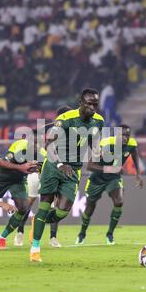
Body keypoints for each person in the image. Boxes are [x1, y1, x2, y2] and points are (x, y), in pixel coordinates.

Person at [29, 88, 104, 262]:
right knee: (46, 205)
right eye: (89, 104)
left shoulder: (99, 121)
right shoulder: (65, 119)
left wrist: (96, 149)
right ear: (80, 103)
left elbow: (92, 139)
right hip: (54, 166)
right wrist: (61, 163)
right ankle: (35, 249)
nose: (93, 108)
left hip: (73, 170)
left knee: (63, 211)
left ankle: (38, 220)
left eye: (95, 104)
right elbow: (49, 144)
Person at [14, 106, 73, 248]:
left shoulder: (73, 130)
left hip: (56, 171)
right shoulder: (49, 129)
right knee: (28, 203)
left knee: (54, 205)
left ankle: (53, 237)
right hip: (40, 171)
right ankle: (20, 232)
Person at [76, 125, 143, 245]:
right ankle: (82, 234)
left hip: (113, 178)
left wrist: (138, 174)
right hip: (97, 178)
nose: (125, 138)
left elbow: (135, 155)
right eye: (123, 135)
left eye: (127, 135)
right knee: (90, 208)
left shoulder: (132, 144)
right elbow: (90, 166)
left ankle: (110, 234)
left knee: (119, 202)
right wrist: (110, 169)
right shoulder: (105, 145)